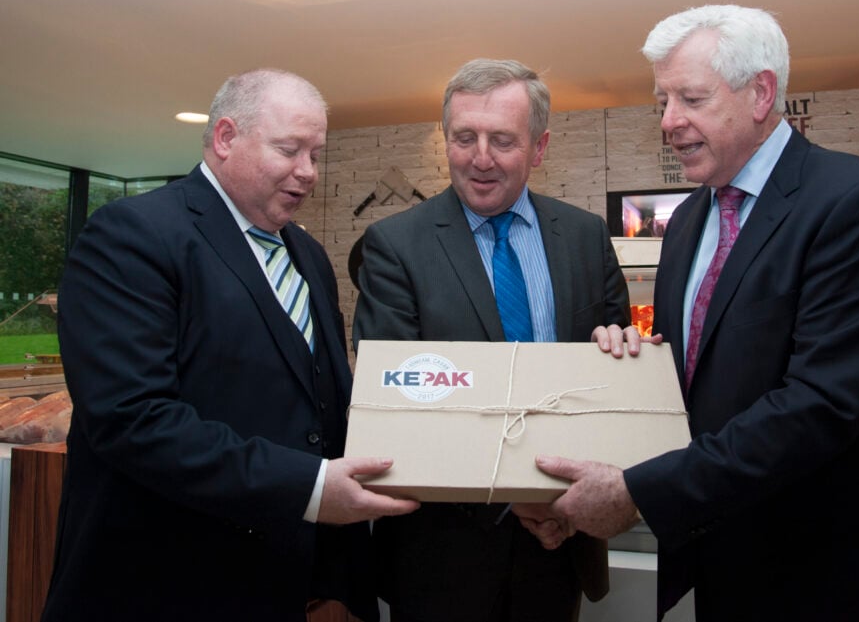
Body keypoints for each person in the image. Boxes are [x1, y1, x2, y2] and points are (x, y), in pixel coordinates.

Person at [531, 5, 859, 621]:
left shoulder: (858, 202)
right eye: (662, 102)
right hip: (731, 567)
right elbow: (703, 382)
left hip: (845, 580)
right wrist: (633, 366)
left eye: (690, 98)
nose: (668, 122)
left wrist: (634, 494)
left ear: (761, 92)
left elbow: (819, 406)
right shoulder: (685, 224)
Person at [42, 69, 418, 622]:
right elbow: (132, 419)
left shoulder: (308, 257)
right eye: (290, 150)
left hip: (278, 580)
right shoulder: (131, 235)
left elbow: (320, 394)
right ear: (224, 138)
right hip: (159, 583)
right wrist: (310, 488)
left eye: (316, 153)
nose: (308, 172)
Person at [352, 58, 629, 622]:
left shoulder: (585, 236)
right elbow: (397, 405)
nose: (480, 158)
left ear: (540, 146)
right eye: (464, 138)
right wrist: (516, 500)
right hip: (442, 555)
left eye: (502, 140)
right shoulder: (394, 246)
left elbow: (612, 378)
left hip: (561, 542)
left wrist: (568, 503)